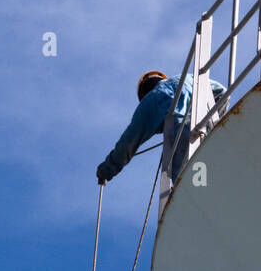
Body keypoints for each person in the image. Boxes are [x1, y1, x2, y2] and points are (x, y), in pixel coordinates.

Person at [96, 70, 227, 185]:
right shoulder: (185, 78)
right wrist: (210, 121)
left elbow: (127, 143)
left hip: (183, 138)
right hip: (208, 127)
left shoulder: (149, 102)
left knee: (192, 191)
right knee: (216, 180)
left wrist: (106, 171)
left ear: (143, 95)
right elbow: (222, 92)